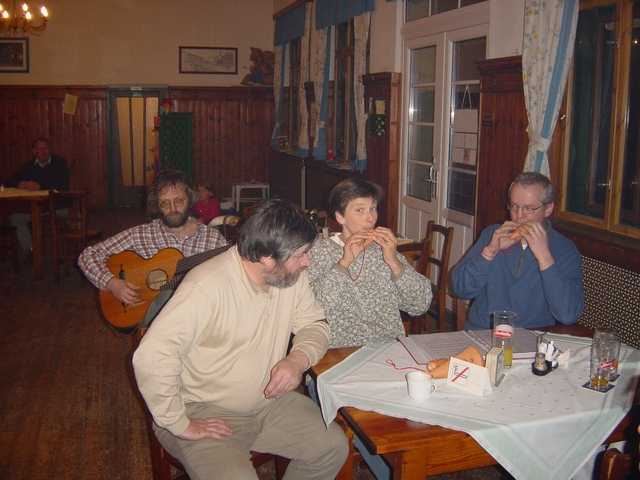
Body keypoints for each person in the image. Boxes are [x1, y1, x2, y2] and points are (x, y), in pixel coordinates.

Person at [132, 199, 348, 480]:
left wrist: (298, 359)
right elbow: (151, 357)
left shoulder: (289, 276)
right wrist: (180, 423)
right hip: (203, 411)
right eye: (301, 254)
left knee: (332, 446)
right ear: (267, 258)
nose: (307, 262)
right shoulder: (206, 286)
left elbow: (314, 324)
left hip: (268, 401)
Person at [78, 169, 227, 326]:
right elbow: (88, 256)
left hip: (199, 322)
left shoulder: (212, 239)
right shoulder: (141, 234)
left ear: (189, 199)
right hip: (152, 326)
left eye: (179, 201)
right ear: (157, 205)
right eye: (165, 203)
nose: (173, 209)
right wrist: (113, 284)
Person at [307, 178, 432, 348]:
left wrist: (393, 261)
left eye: (373, 208)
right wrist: (344, 263)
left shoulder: (385, 250)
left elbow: (420, 304)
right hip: (338, 351)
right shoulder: (319, 252)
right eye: (360, 210)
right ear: (340, 217)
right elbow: (312, 308)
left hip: (387, 349)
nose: (371, 218)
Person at [451, 171, 584, 329]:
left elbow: (568, 314)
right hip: (483, 332)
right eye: (514, 206)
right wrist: (489, 252)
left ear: (548, 209)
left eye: (528, 208)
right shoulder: (492, 234)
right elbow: (459, 289)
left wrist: (545, 258)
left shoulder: (564, 249)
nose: (518, 216)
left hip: (532, 340)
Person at [6, 137, 70, 254]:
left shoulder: (60, 163)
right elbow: (9, 181)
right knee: (15, 218)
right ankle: (32, 251)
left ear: (49, 149)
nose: (43, 151)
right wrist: (22, 184)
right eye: (39, 149)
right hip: (34, 208)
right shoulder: (28, 166)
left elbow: (63, 184)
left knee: (41, 218)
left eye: (45, 148)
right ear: (34, 151)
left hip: (57, 207)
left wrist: (40, 186)